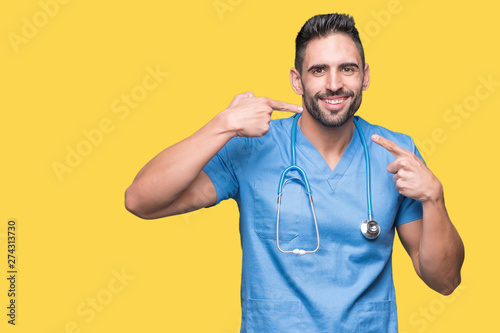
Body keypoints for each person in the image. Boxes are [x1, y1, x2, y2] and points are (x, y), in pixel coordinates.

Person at [125, 13, 464, 332]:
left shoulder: (394, 152)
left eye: (347, 69)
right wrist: (223, 124)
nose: (334, 84)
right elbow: (141, 200)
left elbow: (445, 280)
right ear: (296, 80)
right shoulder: (253, 147)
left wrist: (435, 198)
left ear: (366, 76)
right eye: (318, 71)